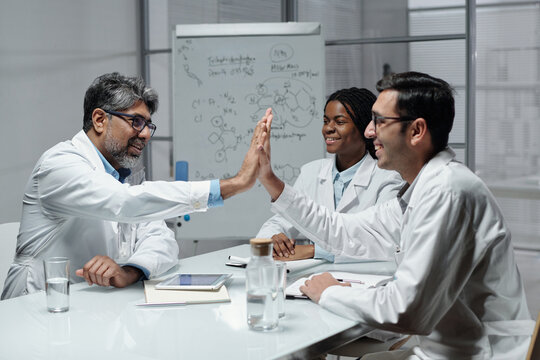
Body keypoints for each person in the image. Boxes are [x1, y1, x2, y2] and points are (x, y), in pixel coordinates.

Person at [255, 72, 534, 359]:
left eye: (379, 121)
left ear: (416, 131)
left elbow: (407, 309)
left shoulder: (448, 192)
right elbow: (343, 230)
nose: (369, 132)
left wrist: (329, 292)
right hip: (446, 347)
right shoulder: (423, 189)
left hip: (479, 354)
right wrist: (270, 181)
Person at [2, 72, 265, 300]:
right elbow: (124, 203)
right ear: (99, 120)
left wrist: (130, 270)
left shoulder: (119, 176)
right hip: (37, 304)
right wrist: (231, 185)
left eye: (148, 124)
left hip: (90, 306)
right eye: (136, 122)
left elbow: (162, 239)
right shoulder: (60, 164)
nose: (147, 134)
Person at [256, 87, 403, 263]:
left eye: (339, 122)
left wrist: (313, 250)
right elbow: (282, 219)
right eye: (326, 121)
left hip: (363, 279)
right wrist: (274, 237)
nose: (328, 129)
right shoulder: (312, 172)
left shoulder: (388, 177)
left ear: (365, 127)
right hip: (314, 278)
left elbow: (386, 245)